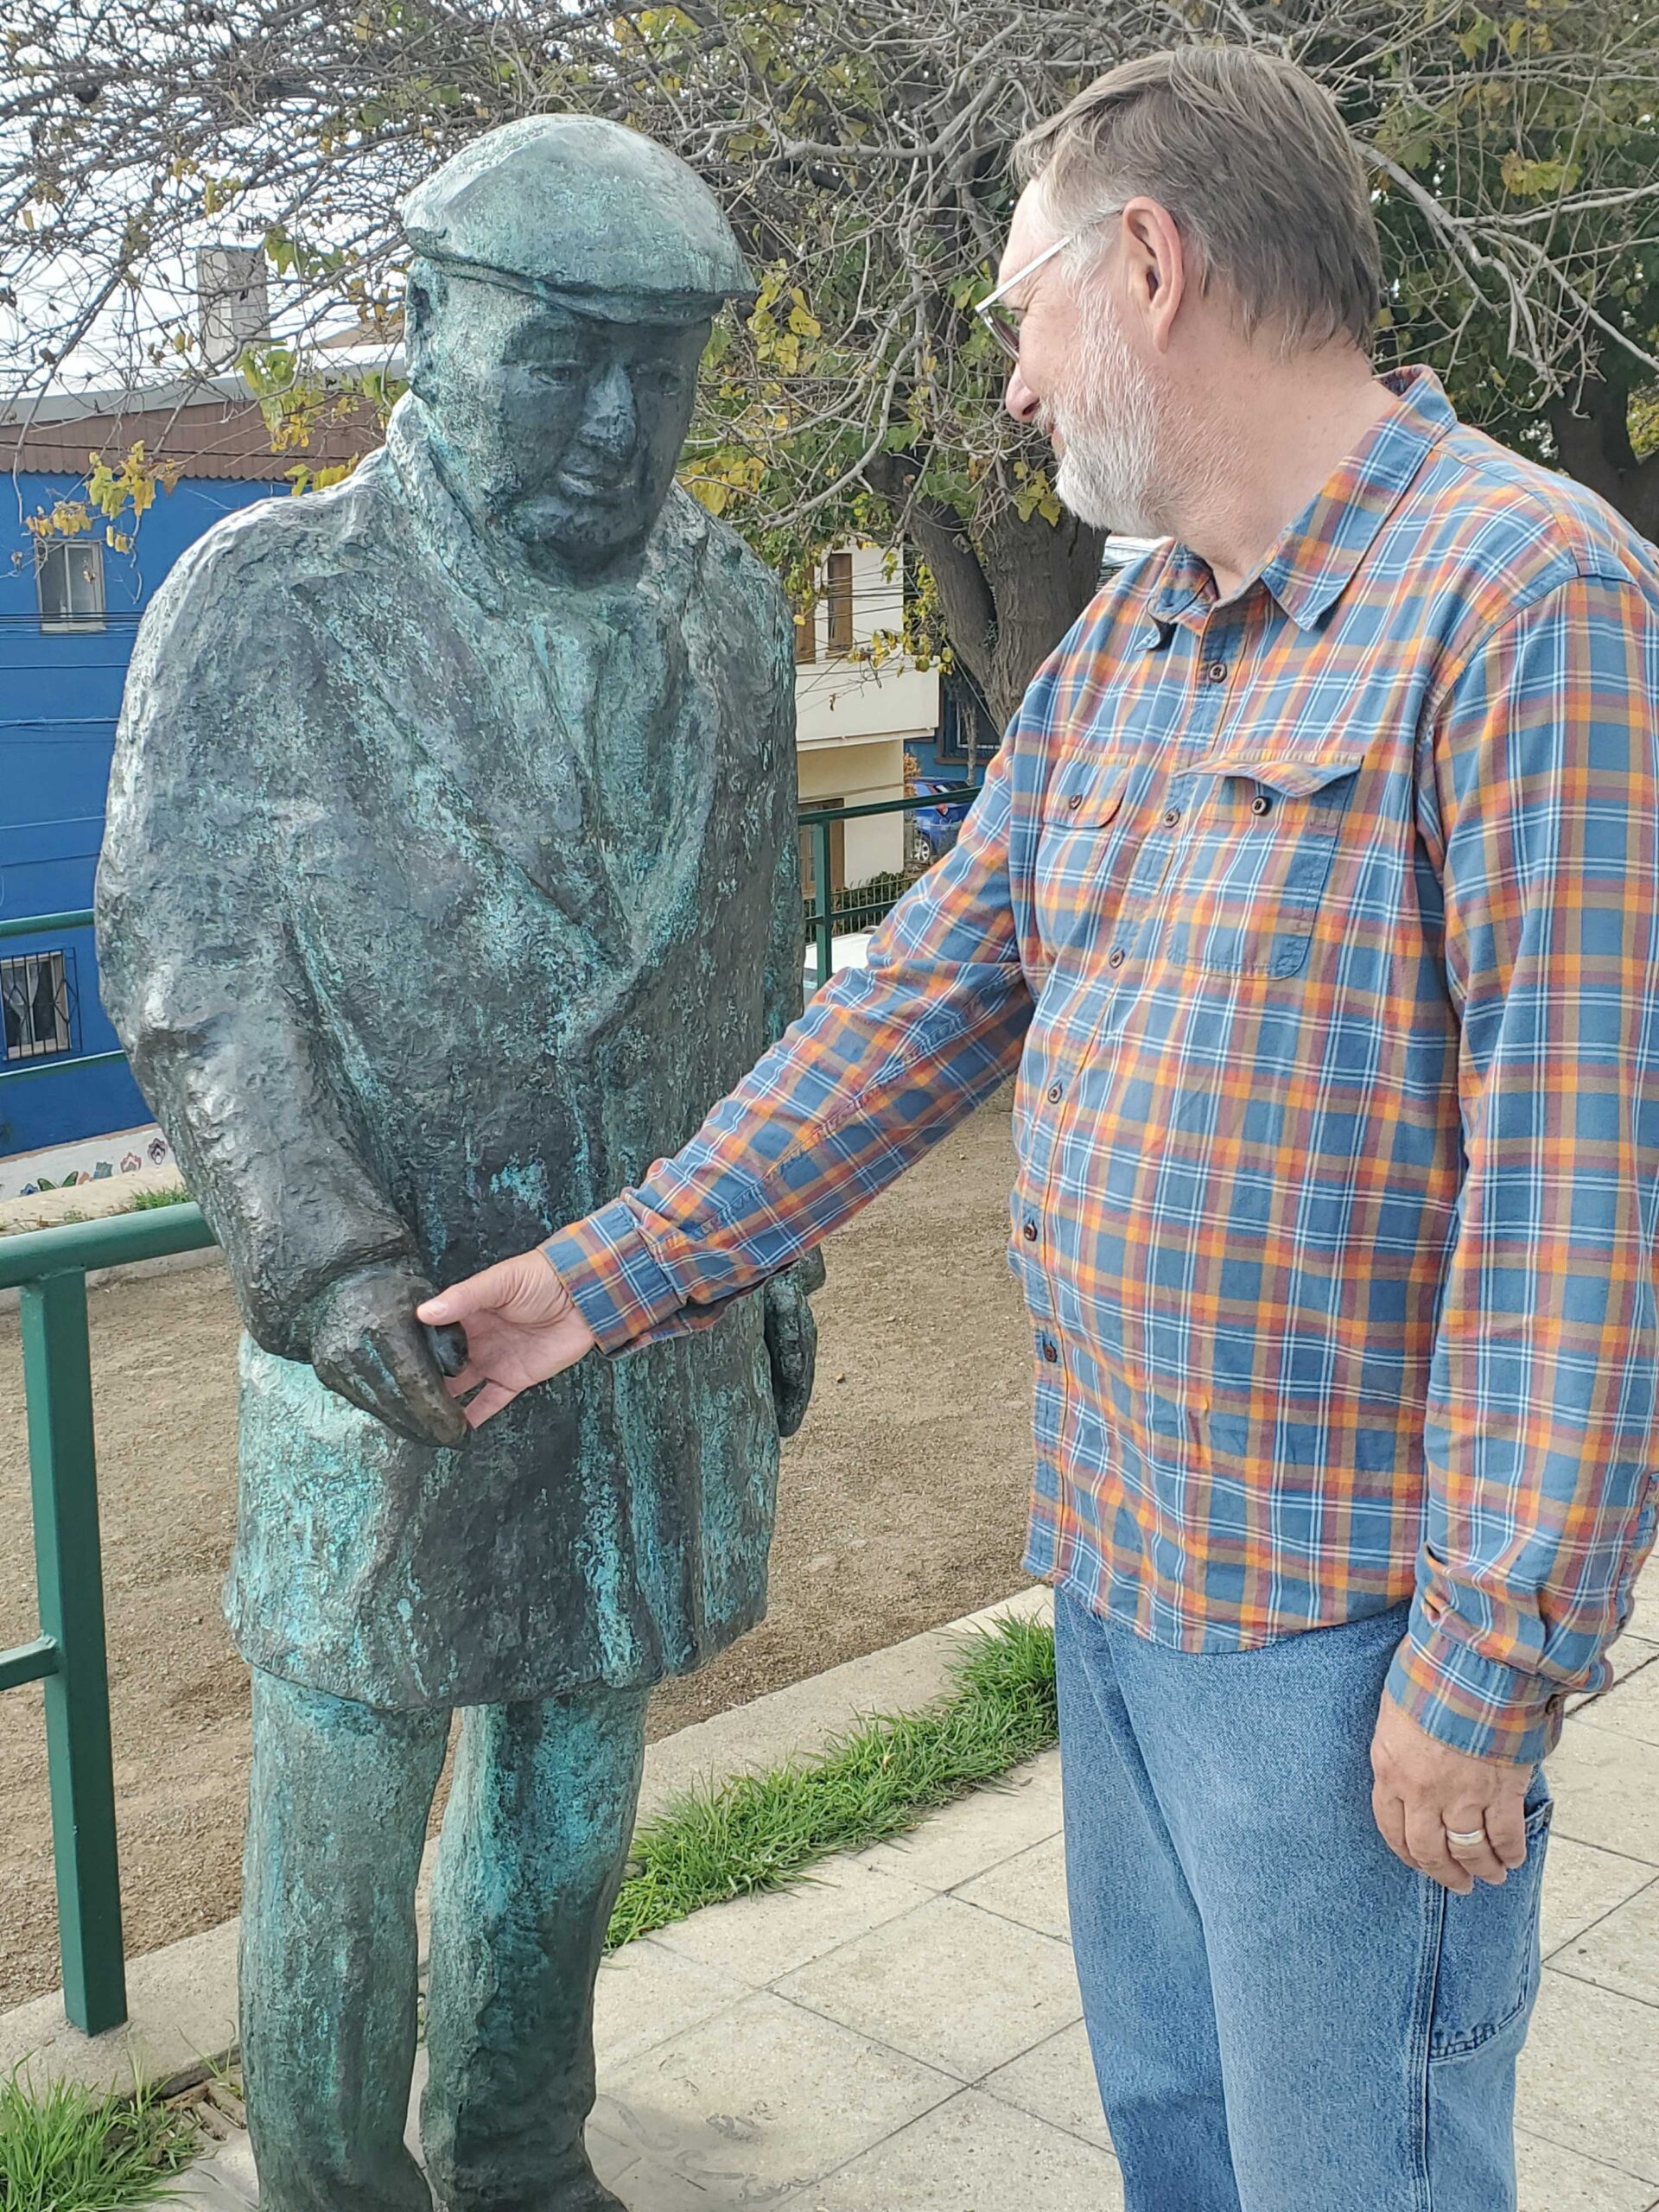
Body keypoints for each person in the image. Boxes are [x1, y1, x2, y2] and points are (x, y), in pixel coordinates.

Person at [419, 48, 1659, 2212]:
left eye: (1023, 309)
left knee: (1354, 2174)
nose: (1009, 385)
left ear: (1153, 265)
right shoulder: (1129, 647)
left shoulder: (1531, 597)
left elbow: (1588, 1189)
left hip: (1351, 1635)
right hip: (1117, 1580)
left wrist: (1492, 1662)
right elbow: (905, 1014)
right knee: (1182, 2145)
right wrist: (587, 1283)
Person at [98, 115, 820, 2212]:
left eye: (660, 371)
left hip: (639, 1337)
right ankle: (333, 2187)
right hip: (384, 1343)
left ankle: (520, 2156)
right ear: (424, 325)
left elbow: (746, 964)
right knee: (346, 1800)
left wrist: (770, 1261)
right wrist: (321, 1268)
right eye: (561, 357)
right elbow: (190, 965)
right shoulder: (267, 601)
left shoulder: (731, 615)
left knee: (577, 1792)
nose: (616, 423)